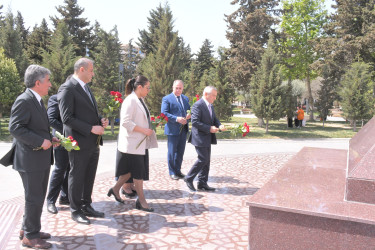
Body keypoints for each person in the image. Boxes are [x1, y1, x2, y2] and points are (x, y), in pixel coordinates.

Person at [1, 65, 58, 249]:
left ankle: (28, 229)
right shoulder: (24, 100)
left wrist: (50, 139)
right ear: (37, 82)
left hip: (38, 158)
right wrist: (41, 142)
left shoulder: (36, 99)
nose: (50, 85)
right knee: (34, 197)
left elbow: (35, 127)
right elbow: (15, 128)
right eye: (48, 81)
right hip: (30, 159)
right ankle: (30, 237)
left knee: (36, 196)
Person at [58, 58, 109, 225]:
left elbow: (89, 113)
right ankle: (75, 210)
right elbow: (67, 118)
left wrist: (101, 120)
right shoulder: (67, 88)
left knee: (89, 175)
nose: (93, 74)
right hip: (77, 142)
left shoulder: (86, 88)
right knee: (77, 175)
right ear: (81, 69)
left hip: (92, 142)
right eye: (91, 70)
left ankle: (87, 205)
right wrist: (90, 128)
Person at [108, 76, 157, 212]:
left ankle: (116, 188)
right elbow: (125, 122)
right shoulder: (130, 100)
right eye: (147, 87)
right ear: (139, 87)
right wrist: (144, 130)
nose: (149, 90)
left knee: (131, 171)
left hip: (138, 143)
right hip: (132, 144)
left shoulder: (140, 100)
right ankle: (141, 201)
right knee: (138, 173)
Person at [184, 86, 225, 192]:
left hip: (207, 137)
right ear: (206, 94)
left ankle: (202, 183)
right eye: (214, 96)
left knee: (206, 160)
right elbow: (195, 122)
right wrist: (209, 128)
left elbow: (214, 119)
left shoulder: (210, 105)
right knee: (203, 159)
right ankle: (189, 178)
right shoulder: (197, 105)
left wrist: (219, 125)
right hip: (199, 137)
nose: (215, 98)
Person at [45, 93, 70, 215]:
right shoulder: (55, 98)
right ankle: (50, 201)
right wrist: (68, 131)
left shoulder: (75, 99)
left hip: (73, 141)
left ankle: (65, 197)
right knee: (60, 169)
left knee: (69, 169)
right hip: (60, 139)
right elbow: (51, 119)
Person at [161, 80, 191, 180]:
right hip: (172, 129)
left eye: (180, 88)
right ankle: (172, 172)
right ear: (172, 87)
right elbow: (164, 113)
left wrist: (189, 116)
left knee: (180, 152)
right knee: (172, 152)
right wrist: (177, 119)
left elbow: (189, 111)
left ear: (183, 88)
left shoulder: (185, 98)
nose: (178, 90)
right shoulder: (167, 99)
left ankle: (178, 171)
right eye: (176, 88)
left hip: (183, 130)